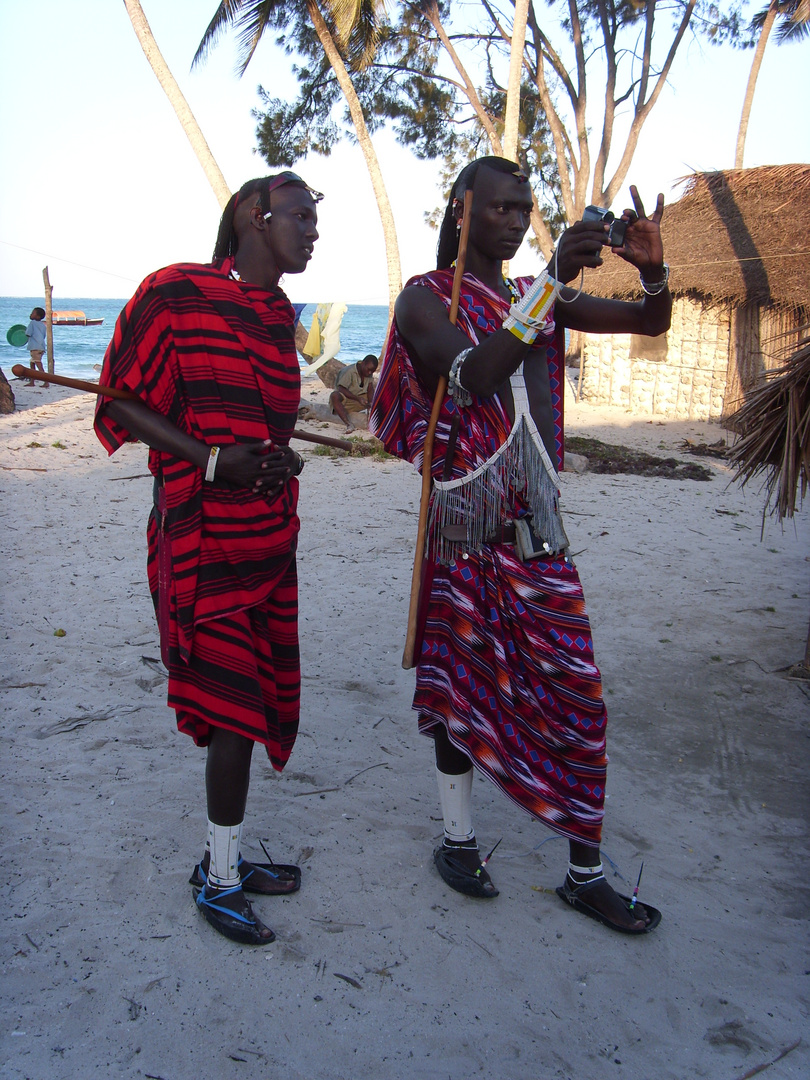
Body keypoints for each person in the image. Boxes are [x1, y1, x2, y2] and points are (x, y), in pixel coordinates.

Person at [370, 156, 671, 933]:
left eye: (523, 209)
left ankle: (585, 872)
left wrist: (655, 272)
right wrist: (547, 284)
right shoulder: (423, 299)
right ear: (463, 209)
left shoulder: (535, 297)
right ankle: (459, 839)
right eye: (500, 206)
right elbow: (470, 375)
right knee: (457, 689)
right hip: (463, 529)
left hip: (536, 531)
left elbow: (649, 323)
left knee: (578, 693)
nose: (513, 219)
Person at [93, 172, 322, 946]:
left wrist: (272, 462)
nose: (313, 230)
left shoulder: (277, 312)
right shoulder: (174, 295)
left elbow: (260, 422)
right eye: (300, 215)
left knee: (253, 708)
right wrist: (214, 460)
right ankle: (219, 879)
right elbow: (120, 400)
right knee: (233, 711)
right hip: (201, 538)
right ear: (255, 218)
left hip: (268, 538)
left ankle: (223, 858)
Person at [329, 354, 378, 432]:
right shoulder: (348, 371)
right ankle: (349, 424)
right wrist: (357, 398)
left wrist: (371, 403)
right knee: (334, 396)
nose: (369, 373)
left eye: (372, 371)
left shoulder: (368, 372)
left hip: (359, 401)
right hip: (346, 401)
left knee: (379, 395)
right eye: (368, 369)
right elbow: (341, 389)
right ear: (363, 363)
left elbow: (370, 389)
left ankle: (372, 418)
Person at [25, 307, 47, 386]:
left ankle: (46, 381)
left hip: (35, 347)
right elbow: (44, 336)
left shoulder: (32, 323)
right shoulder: (43, 325)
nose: (31, 314)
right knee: (32, 363)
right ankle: (32, 381)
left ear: (37, 316)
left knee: (38, 364)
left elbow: (28, 333)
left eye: (33, 313)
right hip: (41, 346)